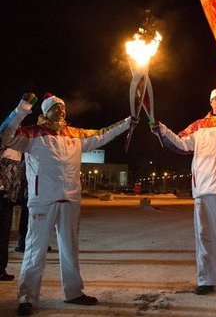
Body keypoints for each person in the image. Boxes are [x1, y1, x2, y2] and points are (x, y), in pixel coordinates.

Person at [0, 92, 135, 316]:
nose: (61, 111)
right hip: (42, 200)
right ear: (45, 111)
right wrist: (22, 109)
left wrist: (127, 123)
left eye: (62, 107)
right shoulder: (32, 134)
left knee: (70, 249)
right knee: (35, 250)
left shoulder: (75, 134)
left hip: (70, 199)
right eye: (55, 107)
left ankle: (73, 292)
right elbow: (5, 135)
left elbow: (103, 135)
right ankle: (27, 297)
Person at [149, 86, 216, 297]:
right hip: (204, 189)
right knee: (204, 236)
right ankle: (206, 280)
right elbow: (180, 143)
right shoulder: (199, 127)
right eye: (215, 99)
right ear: (210, 103)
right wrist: (161, 129)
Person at [0, 146, 23, 281]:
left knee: (4, 235)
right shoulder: (4, 146)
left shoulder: (18, 149)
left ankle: (1, 270)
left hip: (9, 197)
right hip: (2, 194)